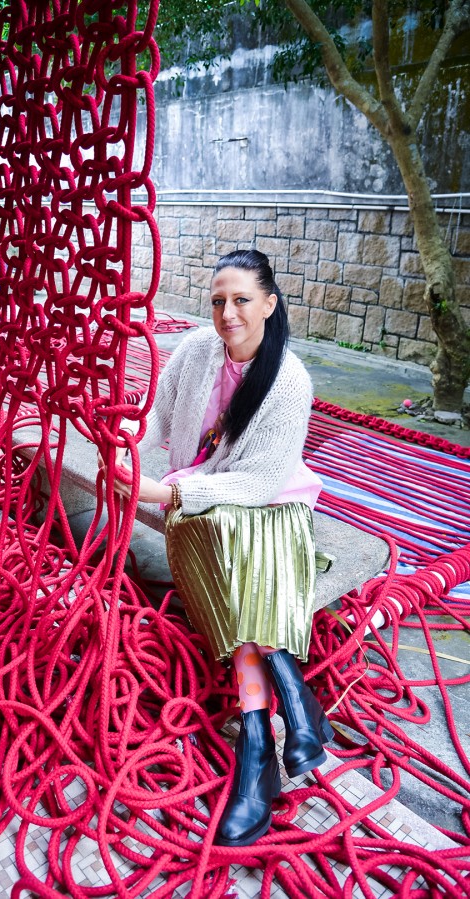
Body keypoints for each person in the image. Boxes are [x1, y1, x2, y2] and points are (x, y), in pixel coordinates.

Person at [101, 249, 333, 847]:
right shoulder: (198, 350)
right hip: (202, 494)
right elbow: (156, 421)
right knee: (208, 531)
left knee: (227, 535)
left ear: (269, 305)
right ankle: (287, 705)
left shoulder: (289, 380)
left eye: (241, 300)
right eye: (218, 301)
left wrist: (163, 490)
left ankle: (257, 747)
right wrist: (122, 442)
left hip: (271, 501)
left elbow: (256, 483)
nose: (227, 313)